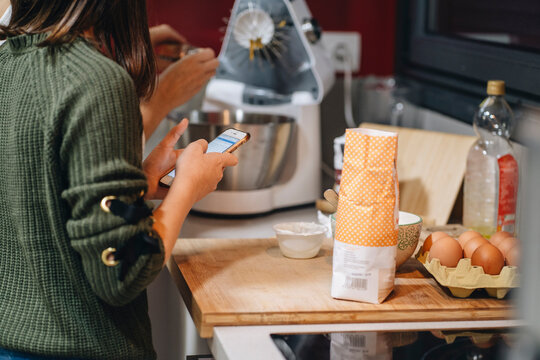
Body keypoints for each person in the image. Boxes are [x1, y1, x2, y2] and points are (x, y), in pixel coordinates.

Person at [0, 1, 237, 360]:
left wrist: (134, 186)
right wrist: (187, 187)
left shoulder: (6, 64)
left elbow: (35, 193)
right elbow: (123, 273)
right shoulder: (96, 80)